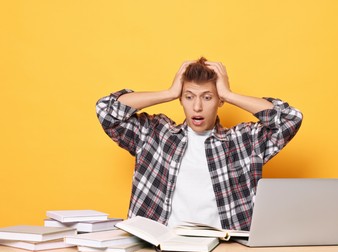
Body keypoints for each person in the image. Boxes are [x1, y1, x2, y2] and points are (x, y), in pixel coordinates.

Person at [96, 57, 303, 231]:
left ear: (219, 100)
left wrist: (230, 94)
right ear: (180, 99)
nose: (197, 106)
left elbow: (290, 119)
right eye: (188, 97)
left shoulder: (243, 141)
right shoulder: (155, 134)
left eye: (207, 97)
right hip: (161, 250)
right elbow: (106, 110)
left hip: (223, 251)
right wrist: (168, 93)